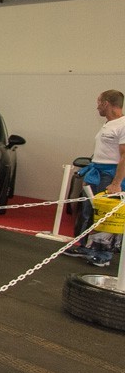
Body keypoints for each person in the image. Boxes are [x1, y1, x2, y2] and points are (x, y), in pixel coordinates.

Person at [65, 90, 125, 265]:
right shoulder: (108, 124)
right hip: (97, 172)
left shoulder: (123, 124)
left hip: (110, 174)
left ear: (106, 103)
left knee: (105, 213)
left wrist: (116, 183)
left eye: (99, 102)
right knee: (88, 211)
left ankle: (103, 255)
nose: (97, 106)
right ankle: (85, 246)